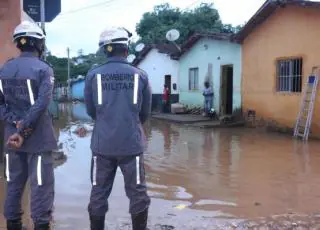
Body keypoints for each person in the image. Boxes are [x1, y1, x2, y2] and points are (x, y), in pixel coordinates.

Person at [84, 26, 152, 230]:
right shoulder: (139, 75)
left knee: (98, 192)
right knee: (138, 193)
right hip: (132, 145)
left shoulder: (93, 75)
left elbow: (90, 110)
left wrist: (107, 121)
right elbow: (145, 113)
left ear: (106, 50)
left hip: (101, 146)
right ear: (126, 49)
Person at [0, 21, 57, 230]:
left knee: (13, 182)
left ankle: (13, 224)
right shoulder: (44, 69)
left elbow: (0, 104)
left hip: (11, 137)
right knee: (41, 185)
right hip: (39, 139)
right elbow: (42, 104)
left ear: (19, 43)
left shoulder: (4, 69)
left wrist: (15, 123)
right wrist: (24, 127)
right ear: (38, 43)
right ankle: (41, 225)